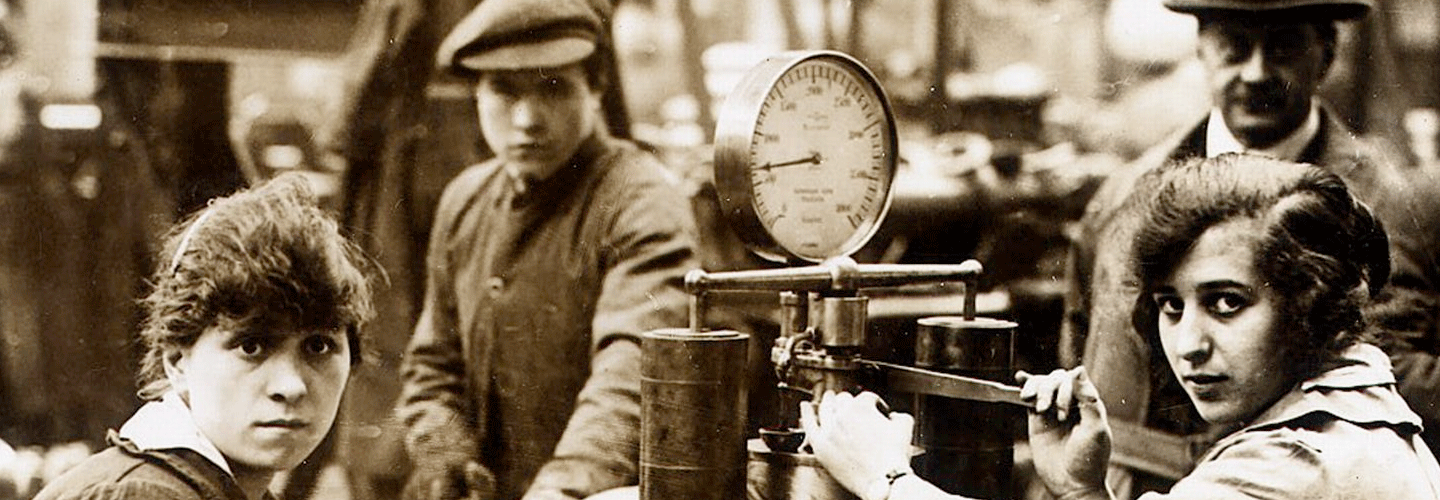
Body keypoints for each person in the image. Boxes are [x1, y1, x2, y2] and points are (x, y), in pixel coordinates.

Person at [806, 154, 1440, 500]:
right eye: (1171, 306)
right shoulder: (1362, 412)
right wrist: (1083, 492)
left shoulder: (1294, 459)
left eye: (1225, 303)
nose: (1189, 343)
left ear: (1312, 306)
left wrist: (883, 479)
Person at [1059, 0, 1440, 493]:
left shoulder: (1385, 205)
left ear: (1324, 54)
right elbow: (1078, 353)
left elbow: (1398, 370)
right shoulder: (1124, 196)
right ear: (1202, 49)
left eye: (1282, 47)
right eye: (1234, 48)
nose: (1257, 73)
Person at [395, 0, 698, 499]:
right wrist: (445, 455)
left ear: (596, 88)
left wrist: (563, 490)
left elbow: (634, 367)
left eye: (554, 88)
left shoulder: (640, 200)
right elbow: (433, 363)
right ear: (477, 93)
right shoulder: (466, 200)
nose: (528, 118)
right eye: (503, 90)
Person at [31, 173, 376, 500]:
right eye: (251, 346)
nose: (291, 386)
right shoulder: (143, 493)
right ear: (178, 362)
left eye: (318, 346)